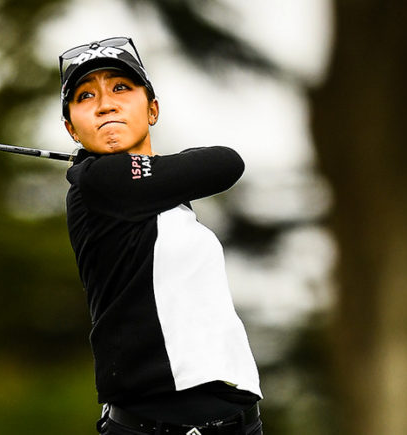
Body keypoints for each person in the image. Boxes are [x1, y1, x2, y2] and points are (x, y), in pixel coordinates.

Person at [59, 37, 264, 435]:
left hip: (238, 421)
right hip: (155, 425)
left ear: (152, 109)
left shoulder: (165, 199)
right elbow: (225, 163)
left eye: (121, 88)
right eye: (86, 96)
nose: (105, 104)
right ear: (71, 127)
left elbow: (219, 163)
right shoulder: (97, 184)